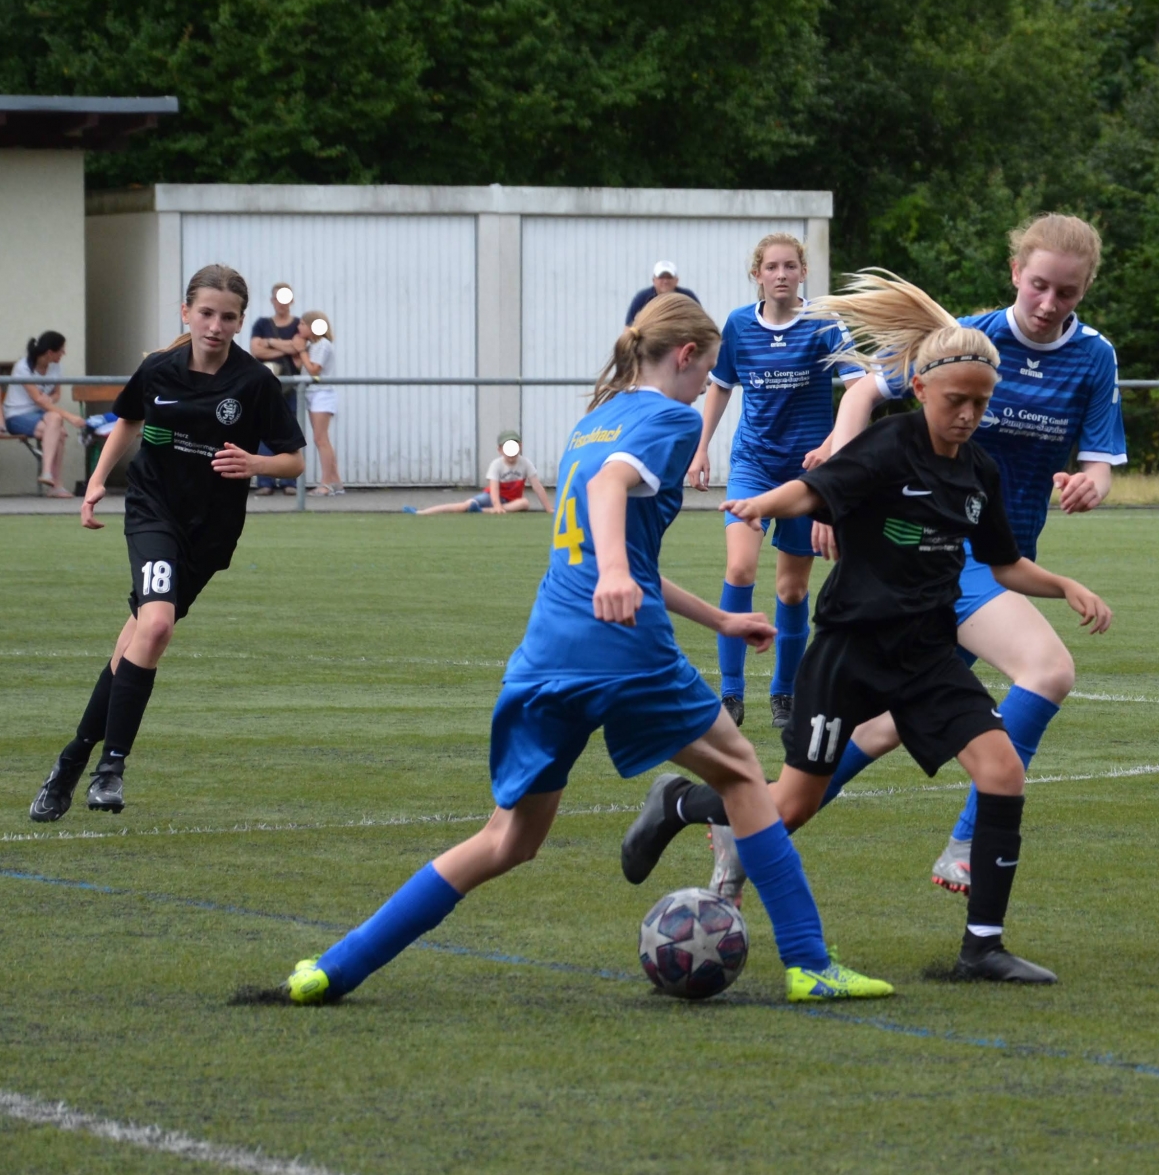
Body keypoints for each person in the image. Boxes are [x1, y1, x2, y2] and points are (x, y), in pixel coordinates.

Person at [281, 295, 891, 1006]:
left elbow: (619, 546)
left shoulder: (594, 422)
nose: (708, 389)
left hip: (548, 648)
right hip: (623, 648)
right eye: (707, 371)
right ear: (686, 356)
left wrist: (717, 620)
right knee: (743, 777)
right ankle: (809, 964)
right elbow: (609, 493)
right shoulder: (672, 419)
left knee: (508, 839)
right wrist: (613, 574)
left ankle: (335, 966)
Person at [618, 272, 1113, 985]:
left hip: (926, 658)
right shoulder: (887, 447)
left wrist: (1064, 585)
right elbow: (814, 490)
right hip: (850, 653)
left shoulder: (980, 472)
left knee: (1003, 770)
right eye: (956, 400)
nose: (968, 415)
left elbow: (1005, 564)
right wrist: (760, 505)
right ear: (921, 389)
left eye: (981, 403)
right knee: (792, 804)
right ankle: (682, 802)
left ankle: (982, 947)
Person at [774, 214, 1126, 898]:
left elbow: (1099, 460)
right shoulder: (969, 341)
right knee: (1048, 670)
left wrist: (1092, 484)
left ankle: (752, 828)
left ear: (1085, 290)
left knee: (884, 730)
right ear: (1015, 273)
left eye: (1067, 292)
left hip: (1000, 561)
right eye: (1039, 285)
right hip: (941, 556)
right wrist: (839, 481)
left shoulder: (1094, 356)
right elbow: (864, 390)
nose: (1049, 303)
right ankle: (969, 841)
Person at [27, 265, 306, 822]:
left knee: (132, 644)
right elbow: (128, 422)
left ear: (240, 322)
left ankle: (70, 762)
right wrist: (97, 481)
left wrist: (256, 464)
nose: (215, 325)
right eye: (206, 313)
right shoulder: (158, 369)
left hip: (211, 533)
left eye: (228, 317)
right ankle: (111, 768)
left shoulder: (254, 383)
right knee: (156, 626)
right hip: (154, 513)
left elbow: (294, 460)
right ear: (186, 313)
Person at [689, 233, 862, 729]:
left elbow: (859, 388)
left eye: (790, 266)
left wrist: (832, 446)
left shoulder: (825, 321)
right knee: (740, 569)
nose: (781, 274)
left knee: (790, 591)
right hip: (754, 465)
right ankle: (730, 694)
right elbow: (721, 386)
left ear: (803, 272)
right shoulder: (739, 324)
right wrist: (701, 448)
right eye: (771, 267)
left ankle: (784, 693)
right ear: (757, 275)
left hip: (807, 473)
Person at [6, 330, 84, 497]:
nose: (64, 353)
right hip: (17, 416)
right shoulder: (23, 367)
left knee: (56, 422)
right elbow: (37, 400)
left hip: (41, 415)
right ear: (50, 352)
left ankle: (48, 476)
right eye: (61, 350)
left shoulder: (56, 367)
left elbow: (56, 394)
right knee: (59, 432)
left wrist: (48, 399)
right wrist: (70, 417)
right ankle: (55, 483)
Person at [405, 430, 552, 516]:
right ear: (500, 450)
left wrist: (548, 508)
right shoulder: (496, 465)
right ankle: (422, 512)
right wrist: (497, 505)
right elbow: (494, 488)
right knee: (463, 506)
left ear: (520, 447)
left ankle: (482, 511)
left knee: (524, 503)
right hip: (491, 497)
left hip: (511, 501)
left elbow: (537, 487)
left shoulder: (525, 463)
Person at [250, 283, 303, 495]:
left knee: (289, 433)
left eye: (285, 298)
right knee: (263, 431)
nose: (282, 303)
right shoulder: (261, 324)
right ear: (272, 300)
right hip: (267, 386)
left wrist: (270, 342)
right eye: (278, 298)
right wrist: (286, 349)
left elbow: (299, 348)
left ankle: (290, 482)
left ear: (291, 300)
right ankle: (265, 483)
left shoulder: (299, 324)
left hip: (291, 388)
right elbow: (256, 350)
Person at [295, 311, 343, 495]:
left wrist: (301, 351)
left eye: (302, 324)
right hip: (312, 394)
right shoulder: (311, 346)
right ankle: (336, 482)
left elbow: (314, 370)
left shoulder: (323, 345)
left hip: (322, 394)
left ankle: (326, 484)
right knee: (322, 439)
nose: (299, 327)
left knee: (320, 439)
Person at [625, 260, 699, 326]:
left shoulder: (687, 297)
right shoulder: (642, 298)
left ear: (676, 280)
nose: (665, 281)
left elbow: (701, 321)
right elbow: (629, 327)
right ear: (654, 280)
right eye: (661, 277)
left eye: (669, 277)